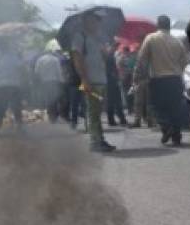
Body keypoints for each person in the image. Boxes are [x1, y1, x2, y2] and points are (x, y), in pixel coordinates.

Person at [137, 15, 189, 145]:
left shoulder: (151, 38)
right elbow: (185, 62)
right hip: (176, 79)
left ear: (157, 25)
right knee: (174, 108)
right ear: (169, 26)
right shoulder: (177, 41)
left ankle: (167, 127)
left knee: (157, 107)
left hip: (158, 79)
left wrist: (141, 75)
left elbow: (142, 59)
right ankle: (176, 136)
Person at [72, 9, 115, 152]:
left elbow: (103, 59)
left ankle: (100, 140)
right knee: (93, 111)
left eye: (99, 20)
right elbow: (77, 58)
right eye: (96, 20)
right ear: (87, 20)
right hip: (90, 81)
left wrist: (108, 52)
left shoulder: (98, 38)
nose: (98, 23)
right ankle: (95, 142)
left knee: (97, 112)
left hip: (101, 80)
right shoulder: (80, 37)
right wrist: (84, 80)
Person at [0, 36, 26, 133]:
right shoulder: (13, 55)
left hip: (0, 85)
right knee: (16, 107)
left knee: (1, 108)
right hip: (13, 84)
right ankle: (19, 126)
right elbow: (21, 67)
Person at [33, 50, 63, 123]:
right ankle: (54, 116)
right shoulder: (55, 59)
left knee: (48, 98)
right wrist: (61, 81)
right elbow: (59, 71)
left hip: (44, 82)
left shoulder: (40, 59)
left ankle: (50, 116)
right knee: (54, 98)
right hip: (54, 81)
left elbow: (36, 71)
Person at [105, 43, 127, 127]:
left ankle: (118, 119)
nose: (116, 48)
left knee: (115, 101)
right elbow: (109, 70)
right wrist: (115, 75)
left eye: (116, 46)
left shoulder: (111, 56)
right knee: (114, 101)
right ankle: (117, 119)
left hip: (112, 81)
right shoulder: (109, 57)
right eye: (114, 46)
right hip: (111, 82)